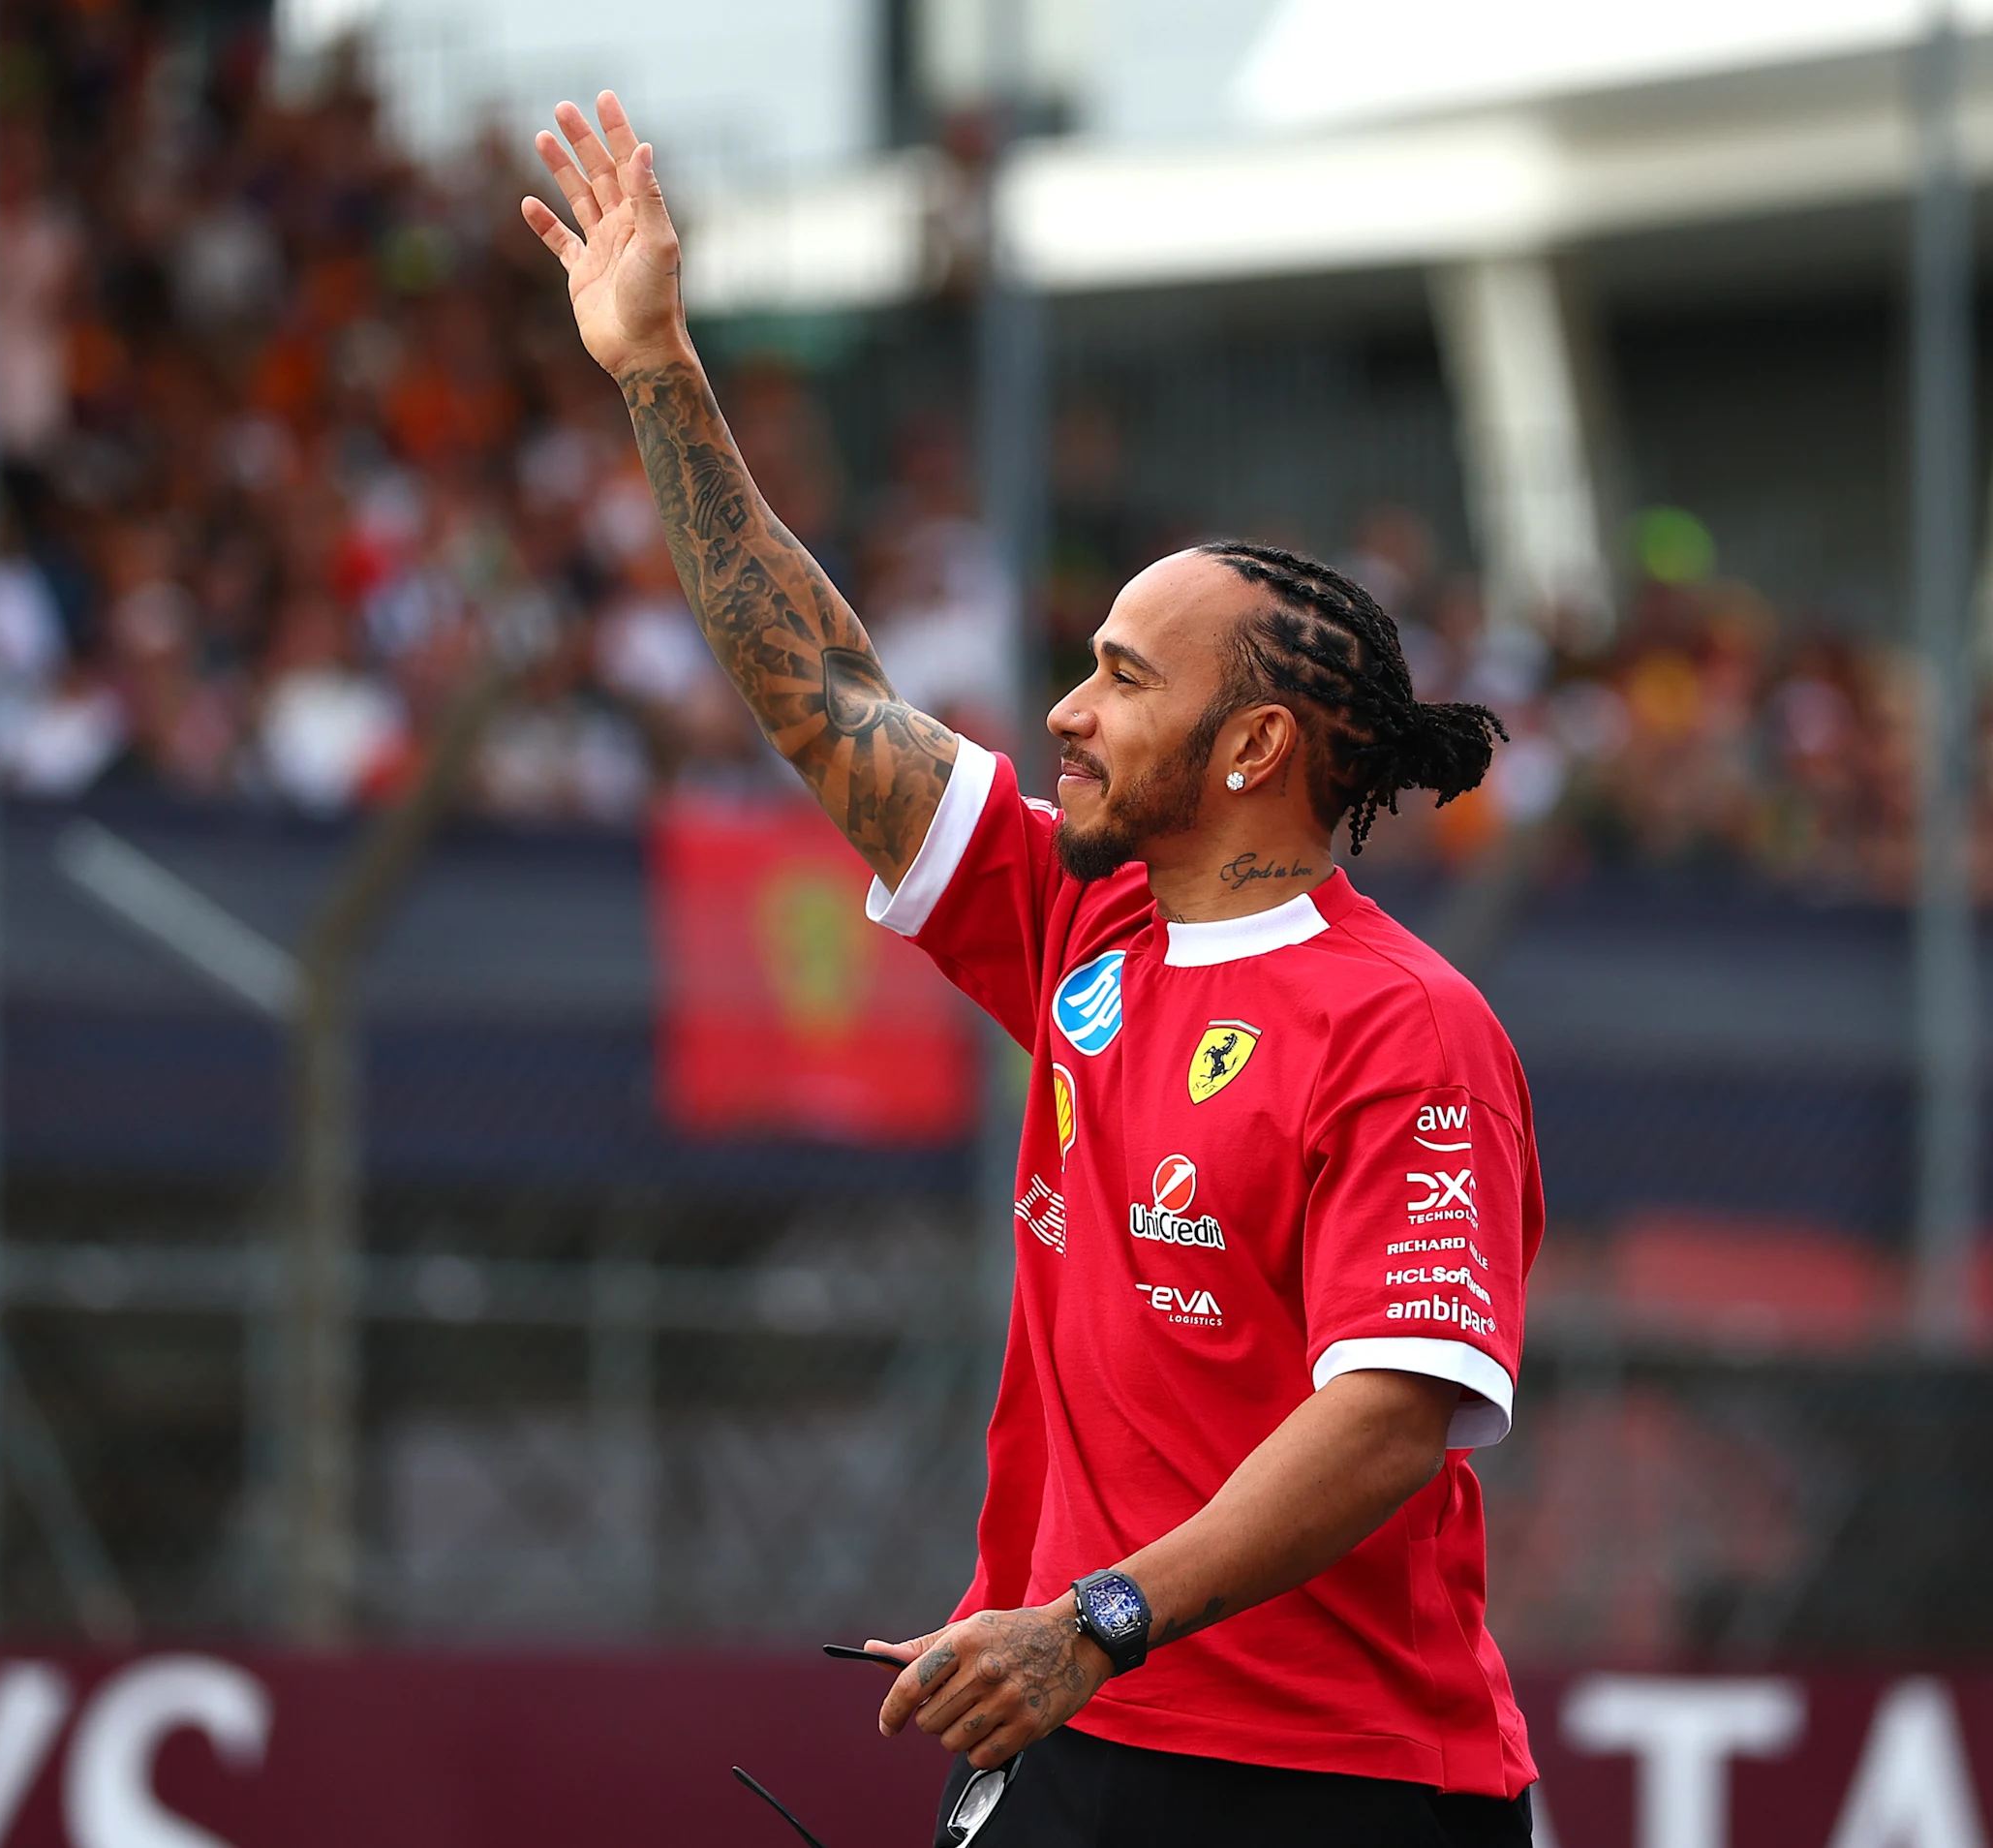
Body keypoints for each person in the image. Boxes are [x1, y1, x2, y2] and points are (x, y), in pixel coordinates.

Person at [524, 94, 1544, 1848]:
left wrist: (1100, 1618)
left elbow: (1388, 1417)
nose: (1067, 710)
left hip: (1342, 1787)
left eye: (1125, 677)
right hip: (1078, 1724)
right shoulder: (1085, 926)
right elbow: (826, 693)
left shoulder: (1407, 1027)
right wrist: (657, 374)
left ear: (1254, 751)